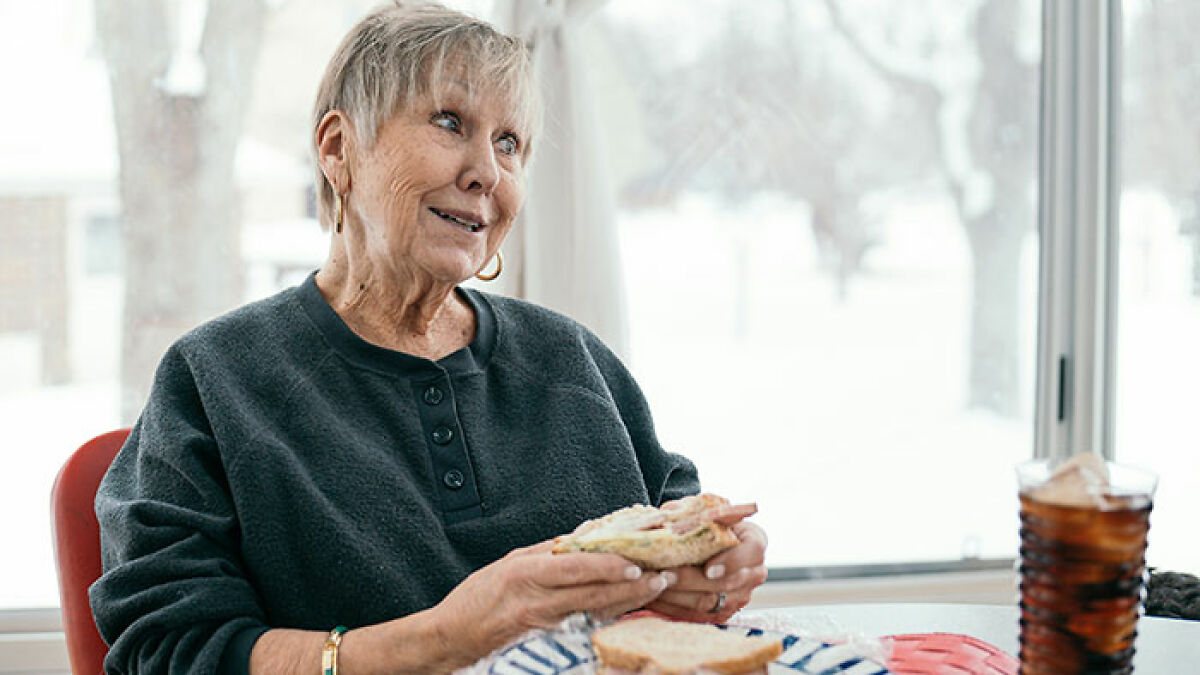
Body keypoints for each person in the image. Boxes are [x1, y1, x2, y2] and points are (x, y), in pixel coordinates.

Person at [90, 3, 769, 673]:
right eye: (451, 122)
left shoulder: (573, 359)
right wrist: (450, 634)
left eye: (509, 143)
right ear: (337, 149)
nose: (488, 173)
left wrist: (715, 570)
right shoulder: (214, 381)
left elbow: (678, 531)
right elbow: (168, 651)